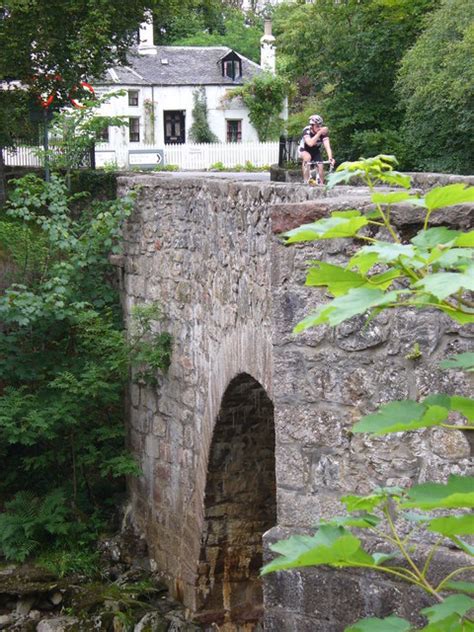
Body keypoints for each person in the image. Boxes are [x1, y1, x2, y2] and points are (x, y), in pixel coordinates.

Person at [299, 114, 335, 184]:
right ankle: (306, 180)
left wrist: (330, 158)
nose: (319, 127)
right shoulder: (307, 131)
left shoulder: (323, 133)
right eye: (317, 126)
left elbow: (327, 146)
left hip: (315, 151)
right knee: (307, 157)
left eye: (320, 125)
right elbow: (310, 143)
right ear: (312, 126)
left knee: (320, 166)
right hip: (304, 149)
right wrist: (319, 133)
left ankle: (321, 184)